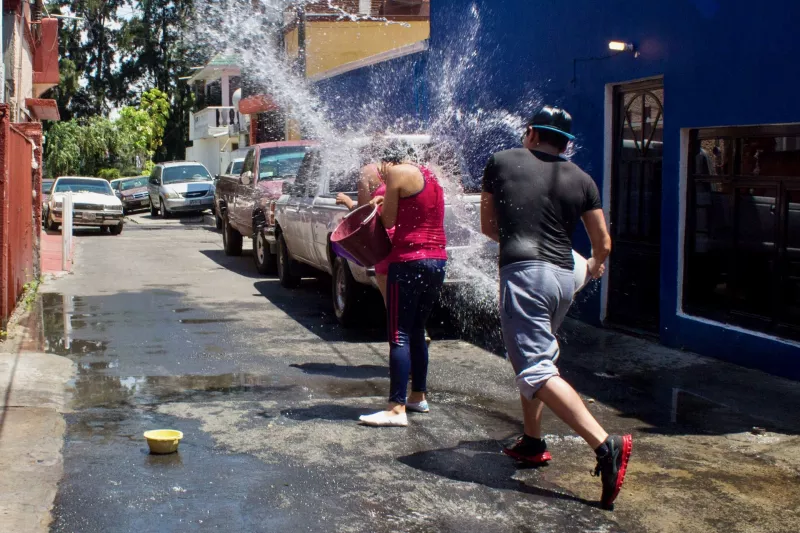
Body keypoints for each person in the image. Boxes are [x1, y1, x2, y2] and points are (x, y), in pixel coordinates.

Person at [480, 105, 631, 510]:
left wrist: (521, 249)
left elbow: (488, 227)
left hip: (525, 273)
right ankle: (532, 441)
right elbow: (604, 246)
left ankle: (605, 444)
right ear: (566, 143)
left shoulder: (501, 161)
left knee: (535, 366)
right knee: (536, 360)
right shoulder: (582, 179)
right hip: (565, 277)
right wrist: (594, 269)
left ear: (530, 133)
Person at [358, 142, 447, 427]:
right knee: (418, 330)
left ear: (388, 162)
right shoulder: (432, 177)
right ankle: (418, 396)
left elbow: (388, 221)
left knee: (399, 334)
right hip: (437, 260)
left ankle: (396, 408)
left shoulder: (396, 174)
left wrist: (378, 204)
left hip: (407, 260)